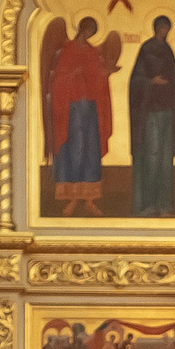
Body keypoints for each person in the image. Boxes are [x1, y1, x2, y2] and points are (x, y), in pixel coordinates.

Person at [47, 16, 113, 216]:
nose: (90, 34)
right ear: (82, 28)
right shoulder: (67, 51)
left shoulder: (93, 52)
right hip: (72, 107)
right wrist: (72, 74)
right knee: (74, 148)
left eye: (93, 31)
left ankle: (89, 199)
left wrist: (106, 72)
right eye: (88, 30)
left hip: (90, 108)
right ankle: (72, 198)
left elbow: (97, 77)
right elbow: (57, 78)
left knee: (90, 149)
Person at [127, 15, 175, 218]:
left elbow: (173, 73)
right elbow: (135, 80)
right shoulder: (146, 49)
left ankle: (165, 205)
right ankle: (148, 205)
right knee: (152, 157)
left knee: (165, 159)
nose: (165, 31)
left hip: (167, 111)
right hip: (151, 112)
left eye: (167, 28)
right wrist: (150, 82)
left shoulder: (166, 50)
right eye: (162, 28)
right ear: (156, 28)